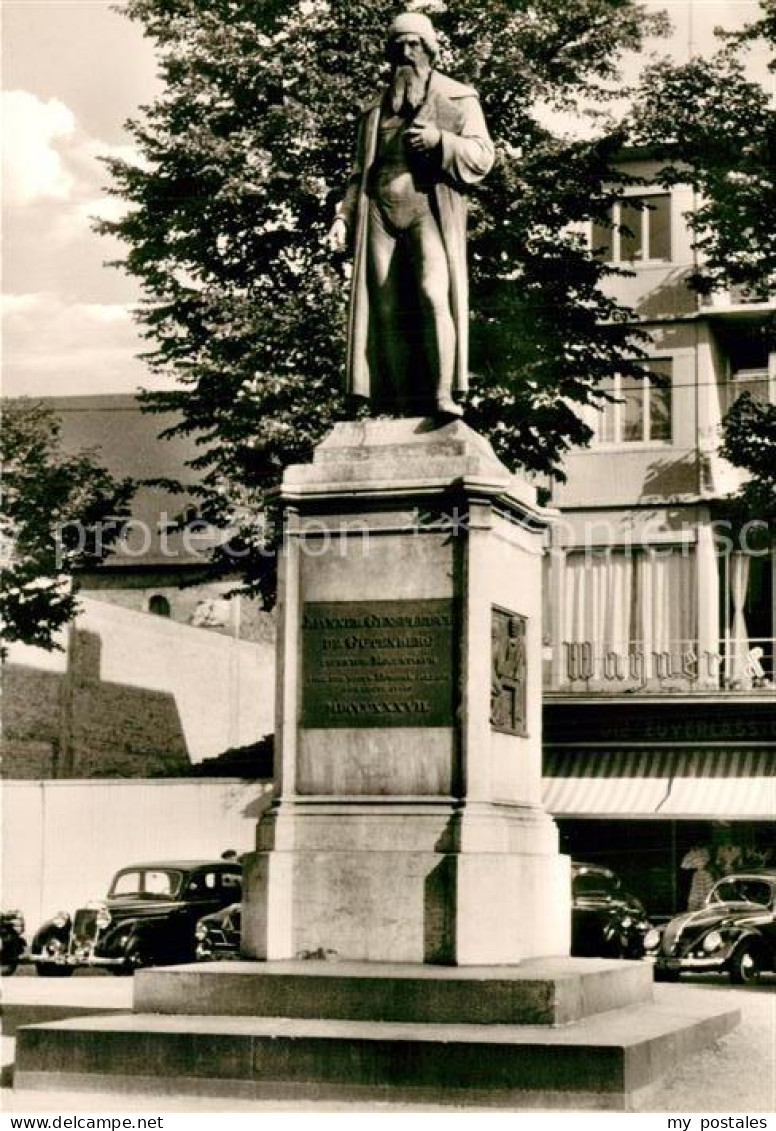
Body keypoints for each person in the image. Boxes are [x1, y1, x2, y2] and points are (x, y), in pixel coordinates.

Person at [329, 11, 494, 419]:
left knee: (433, 294)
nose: (406, 52)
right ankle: (397, 404)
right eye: (398, 45)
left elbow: (482, 156)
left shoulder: (458, 97)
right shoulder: (373, 112)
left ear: (430, 49)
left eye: (414, 44)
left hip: (427, 211)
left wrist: (441, 141)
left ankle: (442, 395)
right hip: (379, 217)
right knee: (383, 310)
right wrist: (342, 218)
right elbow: (358, 176)